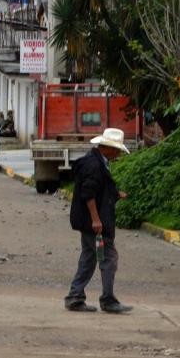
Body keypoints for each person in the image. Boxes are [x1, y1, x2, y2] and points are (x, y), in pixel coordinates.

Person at [64, 127, 131, 314]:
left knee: (89, 257)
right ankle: (108, 300)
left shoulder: (96, 162)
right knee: (109, 258)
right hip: (93, 223)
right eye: (117, 150)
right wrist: (96, 220)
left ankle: (75, 297)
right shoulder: (94, 165)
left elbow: (96, 189)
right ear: (107, 148)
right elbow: (88, 194)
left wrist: (115, 194)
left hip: (90, 221)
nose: (118, 154)